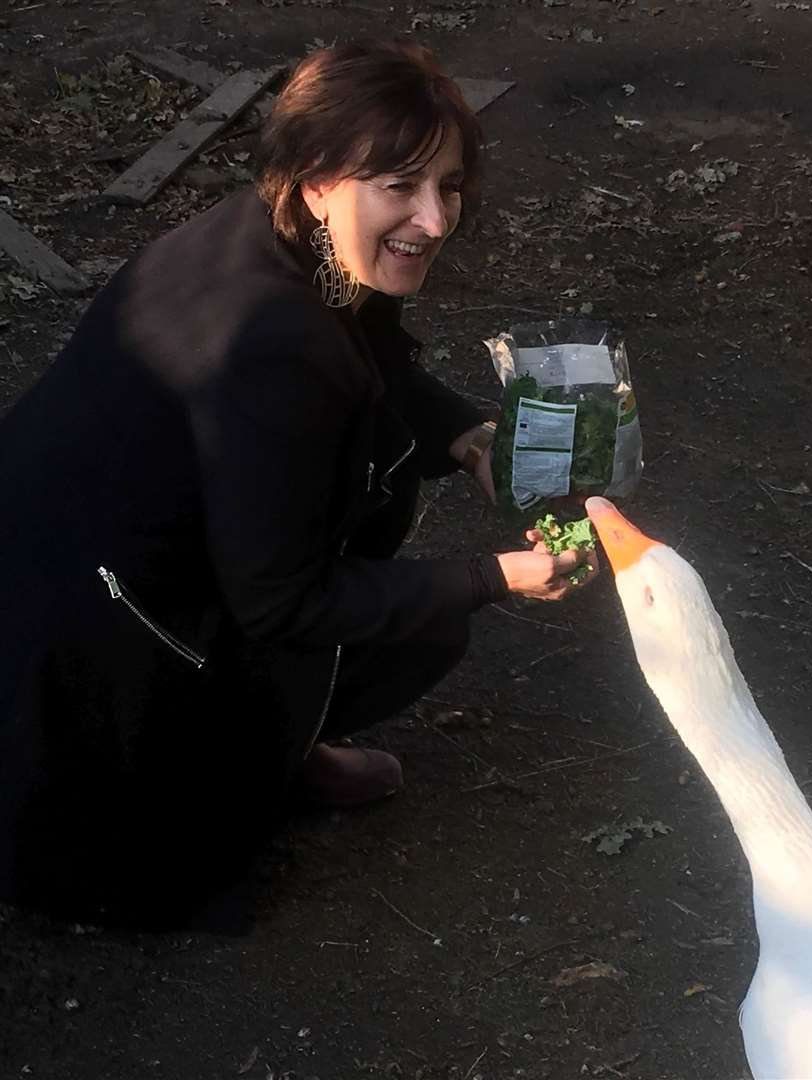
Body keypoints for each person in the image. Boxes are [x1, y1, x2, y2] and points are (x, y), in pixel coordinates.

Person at [0, 40, 594, 924]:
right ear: (317, 178)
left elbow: (378, 352)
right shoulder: (269, 349)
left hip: (83, 563)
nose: (435, 220)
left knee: (377, 527)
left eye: (450, 185)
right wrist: (494, 577)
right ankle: (232, 766)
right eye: (400, 186)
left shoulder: (280, 233)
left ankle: (280, 736)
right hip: (91, 650)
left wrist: (466, 438)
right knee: (427, 627)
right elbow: (283, 603)